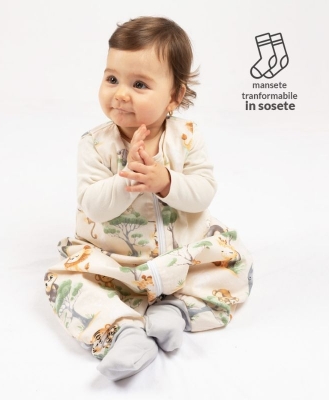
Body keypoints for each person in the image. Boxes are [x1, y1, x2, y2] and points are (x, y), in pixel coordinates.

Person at [44, 16, 253, 381]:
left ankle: (174, 311)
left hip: (183, 259)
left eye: (139, 84)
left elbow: (203, 191)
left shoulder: (187, 137)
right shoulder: (95, 144)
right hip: (115, 264)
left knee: (235, 264)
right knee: (64, 282)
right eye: (112, 79)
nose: (120, 94)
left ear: (175, 96)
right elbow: (92, 204)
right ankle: (123, 333)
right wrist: (125, 178)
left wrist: (166, 181)